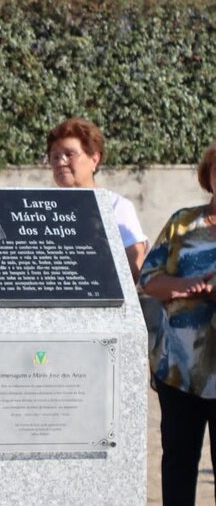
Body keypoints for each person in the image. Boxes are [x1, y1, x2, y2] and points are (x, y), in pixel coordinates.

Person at [140, 141, 216, 505]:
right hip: (178, 372)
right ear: (208, 175)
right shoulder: (182, 223)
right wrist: (185, 286)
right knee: (178, 468)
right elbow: (148, 279)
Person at [46, 118, 147, 281]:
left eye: (69, 154)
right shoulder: (41, 209)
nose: (61, 162)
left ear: (95, 159)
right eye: (55, 156)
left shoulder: (116, 206)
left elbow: (133, 268)